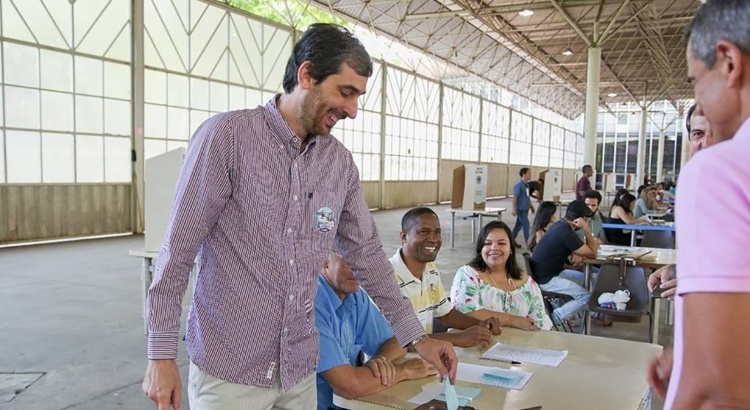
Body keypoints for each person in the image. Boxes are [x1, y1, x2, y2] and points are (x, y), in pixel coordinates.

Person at [141, 24, 457, 410]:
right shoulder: (227, 137)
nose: (353, 111)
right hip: (230, 373)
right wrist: (161, 355)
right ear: (306, 75)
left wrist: (418, 340)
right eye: (346, 93)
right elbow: (177, 252)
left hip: (298, 371)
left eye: (358, 97)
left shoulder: (338, 164)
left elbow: (369, 256)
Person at [649, 2, 750, 407]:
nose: (699, 99)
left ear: (728, 61)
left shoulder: (719, 171)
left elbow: (716, 389)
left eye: (696, 80)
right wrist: (697, 344)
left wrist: (699, 363)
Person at [316, 253, 437, 410]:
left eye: (362, 263)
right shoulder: (312, 306)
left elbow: (398, 341)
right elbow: (348, 387)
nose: (357, 271)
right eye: (348, 262)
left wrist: (379, 362)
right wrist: (403, 371)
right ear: (325, 262)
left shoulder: (356, 296)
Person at [390, 208, 502, 348]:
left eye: (437, 232)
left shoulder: (431, 270)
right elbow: (397, 342)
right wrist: (456, 338)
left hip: (425, 360)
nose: (433, 239)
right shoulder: (387, 278)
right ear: (404, 237)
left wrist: (481, 325)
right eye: (424, 232)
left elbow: (445, 314)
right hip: (392, 365)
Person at [451, 221, 553, 331]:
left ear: (510, 250)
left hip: (520, 345)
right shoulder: (468, 275)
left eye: (501, 243)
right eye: (488, 243)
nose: (494, 248)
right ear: (480, 249)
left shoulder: (527, 283)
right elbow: (466, 313)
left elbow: (540, 323)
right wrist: (511, 320)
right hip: (478, 344)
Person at [529, 200, 599, 325]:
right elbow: (593, 253)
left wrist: (575, 253)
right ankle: (554, 317)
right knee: (586, 297)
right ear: (579, 219)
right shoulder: (566, 232)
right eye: (586, 219)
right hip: (546, 279)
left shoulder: (559, 226)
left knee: (591, 279)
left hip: (549, 273)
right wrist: (587, 230)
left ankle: (588, 314)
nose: (587, 221)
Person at [511, 167, 536, 248]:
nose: (530, 175)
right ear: (524, 175)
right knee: (526, 225)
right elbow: (515, 198)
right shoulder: (519, 185)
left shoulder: (526, 185)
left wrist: (531, 206)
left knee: (518, 226)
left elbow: (527, 197)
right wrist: (514, 209)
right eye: (529, 173)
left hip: (525, 209)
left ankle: (510, 241)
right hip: (520, 210)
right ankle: (529, 243)